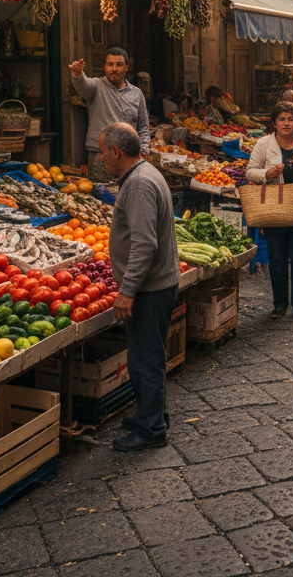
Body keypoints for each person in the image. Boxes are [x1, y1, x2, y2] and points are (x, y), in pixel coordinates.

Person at [99, 123, 181, 450]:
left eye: (103, 152)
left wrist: (127, 290)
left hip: (150, 289)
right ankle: (153, 414)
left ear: (116, 152)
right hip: (156, 285)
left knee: (146, 361)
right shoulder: (144, 172)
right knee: (145, 357)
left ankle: (151, 430)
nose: (101, 158)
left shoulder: (138, 186)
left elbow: (144, 245)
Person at [243, 103, 293, 318]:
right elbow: (250, 172)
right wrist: (267, 174)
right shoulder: (264, 144)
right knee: (277, 258)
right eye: (281, 119)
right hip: (274, 207)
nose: (286, 123)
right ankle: (279, 304)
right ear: (274, 122)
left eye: (290, 119)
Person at [69, 48, 150, 183]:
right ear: (104, 67)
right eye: (110, 64)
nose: (114, 69)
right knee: (101, 199)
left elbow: (143, 127)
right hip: (101, 158)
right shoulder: (96, 86)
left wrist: (144, 150)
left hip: (129, 160)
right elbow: (83, 85)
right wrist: (78, 74)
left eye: (119, 65)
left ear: (126, 68)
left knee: (127, 198)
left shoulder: (136, 94)